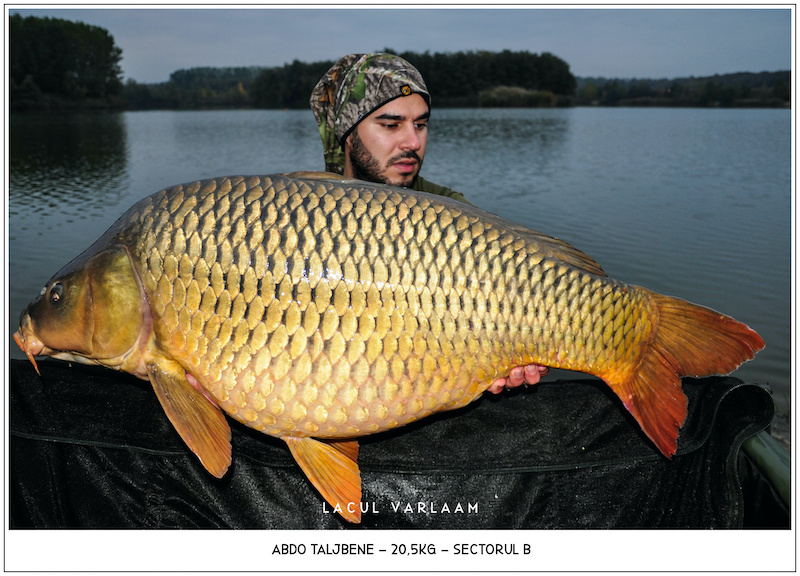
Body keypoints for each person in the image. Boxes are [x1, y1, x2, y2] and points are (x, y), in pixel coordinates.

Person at [310, 52, 548, 393]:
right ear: (348, 135)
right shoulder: (303, 215)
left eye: (420, 125)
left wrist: (516, 352)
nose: (412, 143)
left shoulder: (453, 214)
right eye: (391, 125)